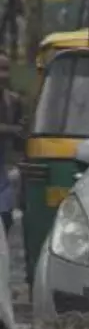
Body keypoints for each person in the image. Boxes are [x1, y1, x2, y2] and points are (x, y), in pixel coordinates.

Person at [0, 55, 24, 232]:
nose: (3, 75)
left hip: (5, 167)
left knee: (6, 217)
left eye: (6, 69)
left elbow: (21, 132)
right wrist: (11, 129)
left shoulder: (14, 101)